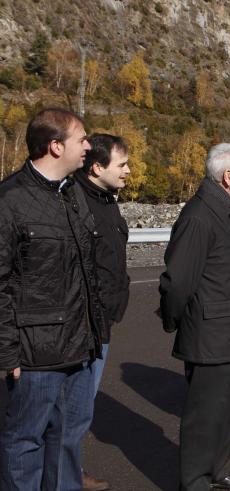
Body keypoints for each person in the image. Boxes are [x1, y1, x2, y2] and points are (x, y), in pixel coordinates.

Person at [0, 108, 105, 491]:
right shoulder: (10, 200)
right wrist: (7, 352)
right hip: (35, 354)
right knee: (24, 443)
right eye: (82, 139)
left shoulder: (72, 193)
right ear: (55, 146)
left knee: (66, 444)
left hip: (79, 348)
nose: (89, 147)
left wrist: (97, 331)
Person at [159, 143, 230, 491]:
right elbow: (178, 280)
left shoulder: (227, 210)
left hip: (229, 330)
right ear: (228, 176)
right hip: (209, 332)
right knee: (204, 415)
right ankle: (195, 480)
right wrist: (175, 321)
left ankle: (215, 470)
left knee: (226, 412)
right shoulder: (199, 215)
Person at [73, 133, 132, 491]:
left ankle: (71, 471)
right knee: (71, 408)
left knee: (82, 407)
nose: (128, 171)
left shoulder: (108, 201)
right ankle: (65, 475)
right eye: (121, 164)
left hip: (103, 321)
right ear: (97, 167)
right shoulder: (77, 203)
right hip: (81, 323)